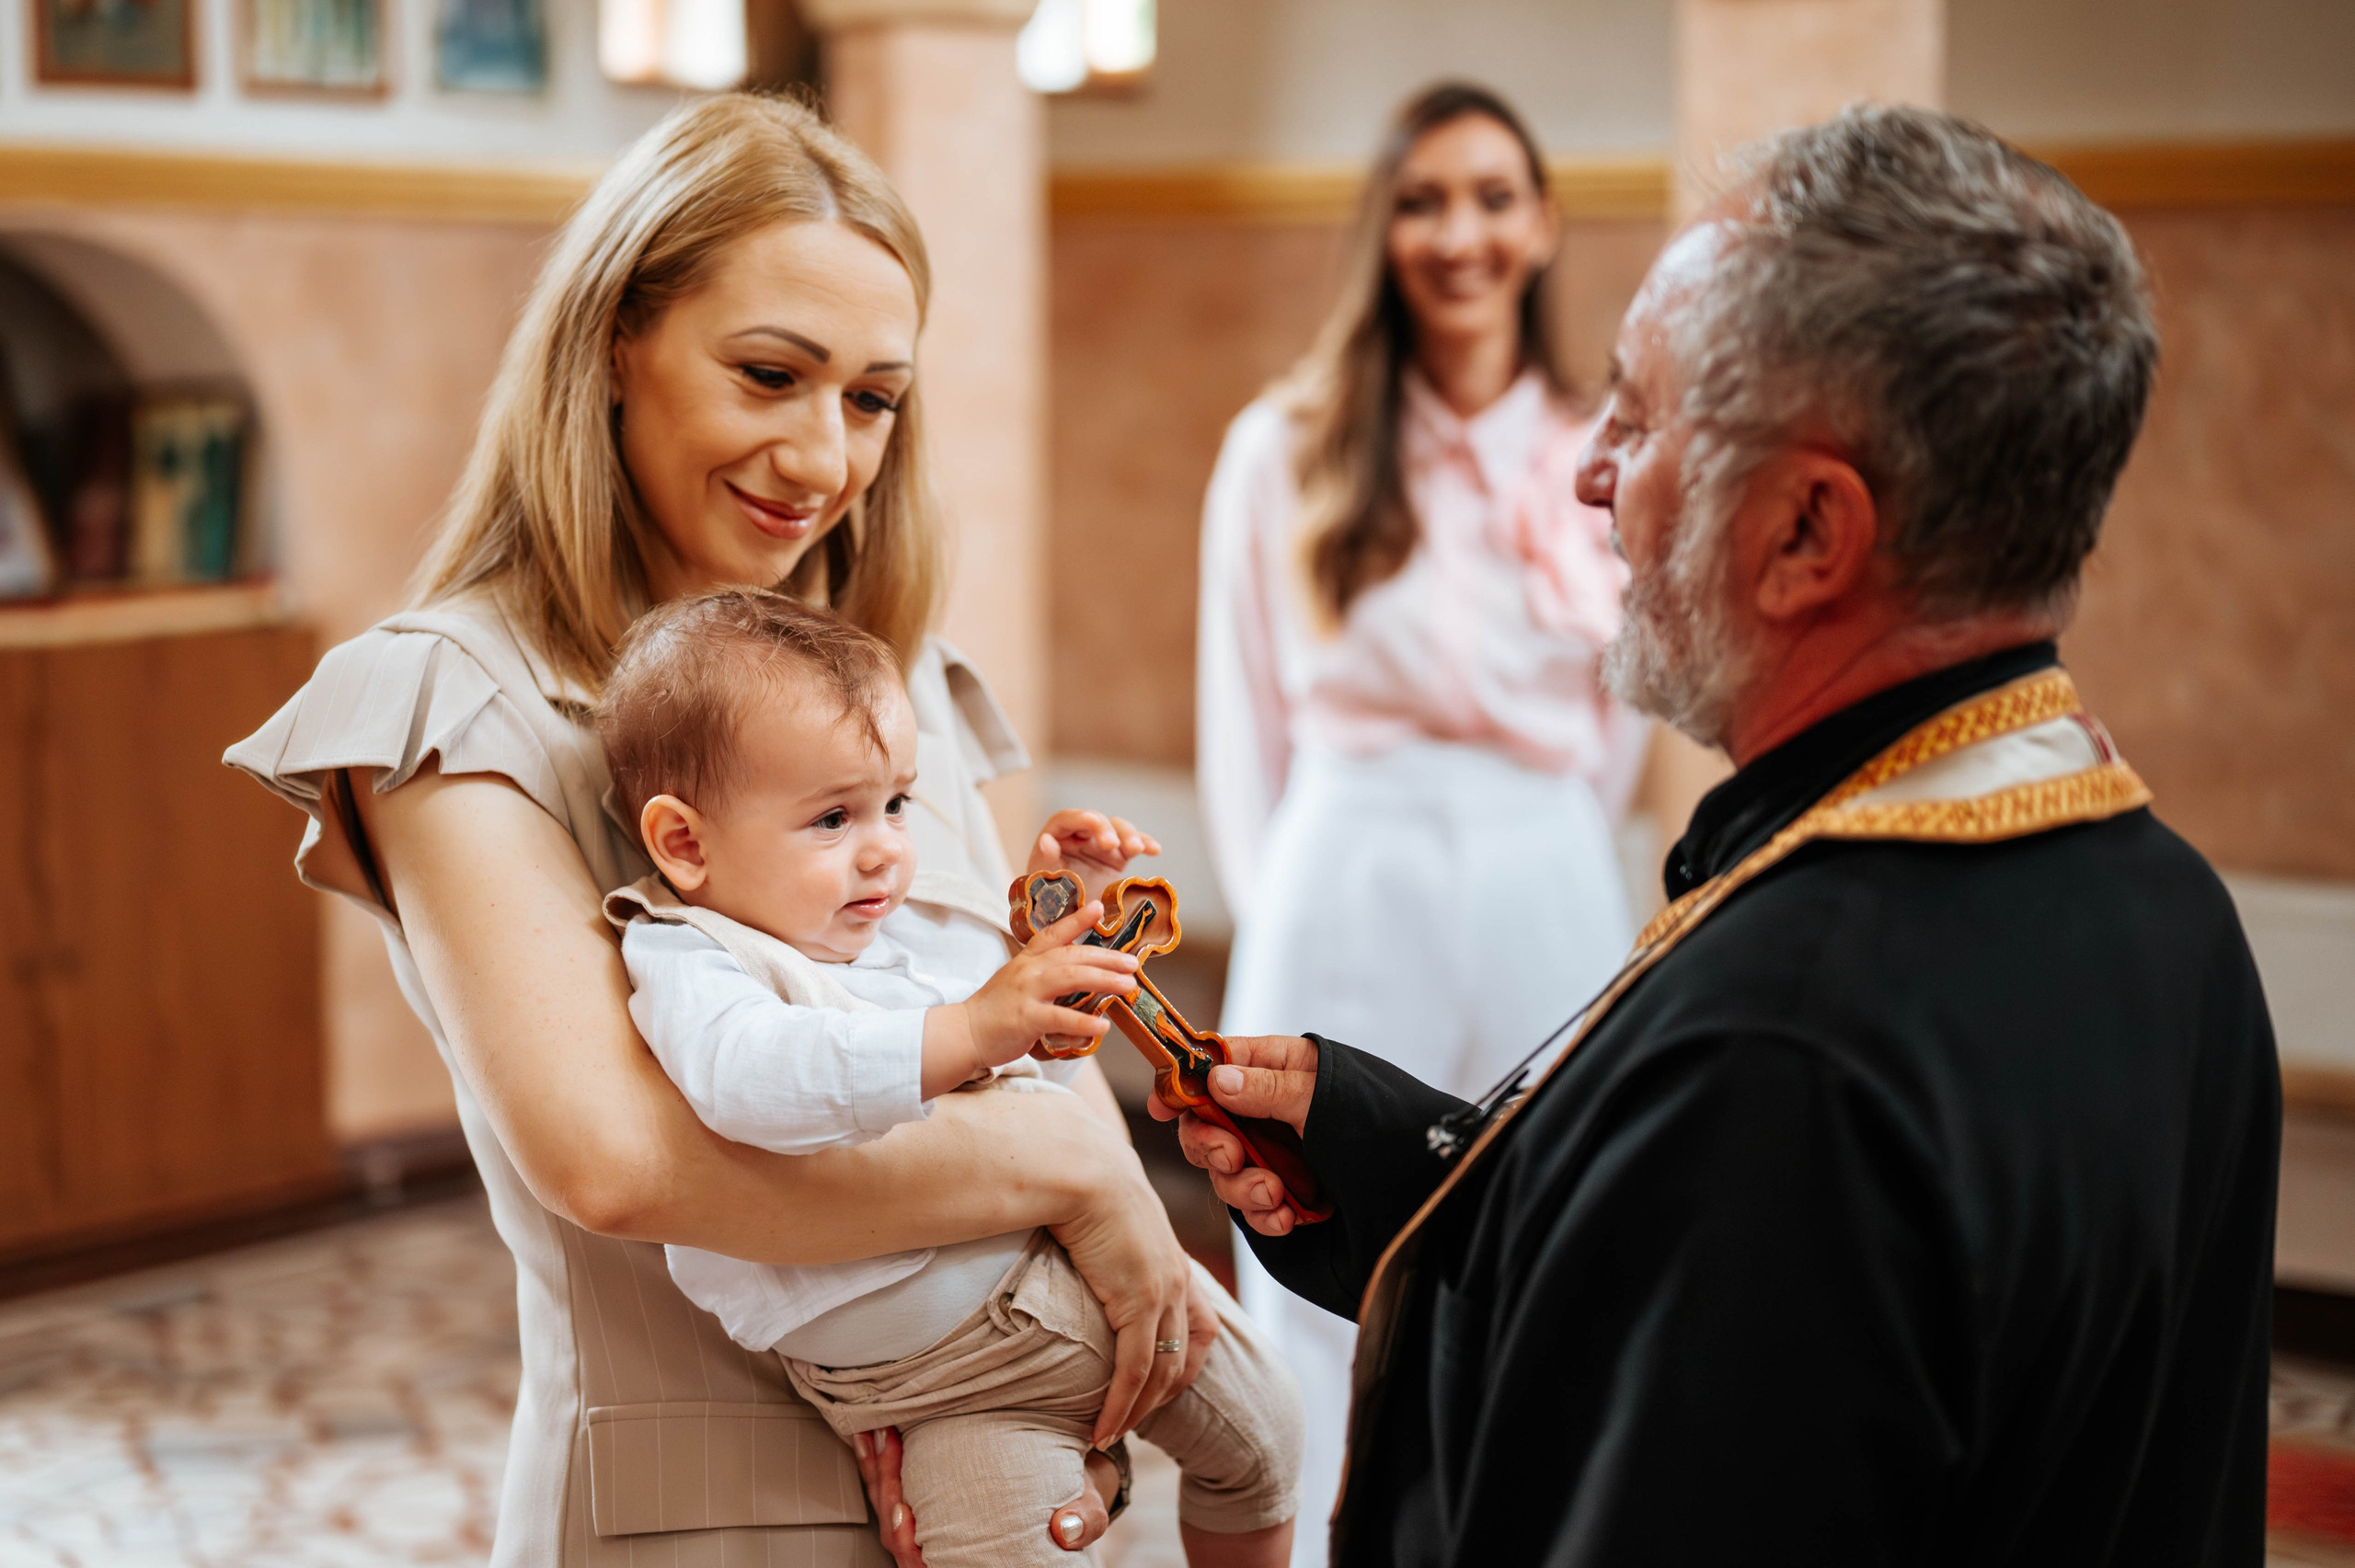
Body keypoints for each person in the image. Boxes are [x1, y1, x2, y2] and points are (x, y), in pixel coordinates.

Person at [1166, 107, 2280, 1565]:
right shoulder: (2177, 911)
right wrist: (1432, 1183)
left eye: (1637, 420)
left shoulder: (1780, 1051)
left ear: (1810, 531)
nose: (1588, 474)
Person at [226, 94, 1205, 1567]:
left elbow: (1007, 1048)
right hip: (691, 1513)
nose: (822, 456)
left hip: (996, 1453)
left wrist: (1061, 1346)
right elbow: (620, 1160)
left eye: (872, 400)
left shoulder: (895, 681)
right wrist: (1082, 1170)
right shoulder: (448, 696)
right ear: (615, 342)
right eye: (769, 375)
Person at [593, 587, 1304, 1568]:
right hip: (950, 1390)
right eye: (833, 817)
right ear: (685, 842)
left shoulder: (917, 920)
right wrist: (970, 1027)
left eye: (895, 802)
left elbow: (1035, 1061)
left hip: (1088, 1280)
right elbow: (750, 1083)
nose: (887, 846)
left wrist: (1057, 932)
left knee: (1271, 1440)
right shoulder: (693, 956)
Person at [1192, 82, 1646, 1563]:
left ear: (1545, 223)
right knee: (1311, 1221)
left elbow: (1627, 710)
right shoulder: (1285, 444)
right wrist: (1281, 901)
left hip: (1545, 860)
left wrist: (1554, 843)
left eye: (1494, 197)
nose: (1462, 234)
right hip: (1348, 856)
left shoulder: (1601, 445)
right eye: (1424, 200)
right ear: (1382, 227)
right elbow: (1244, 709)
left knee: (1555, 1222)